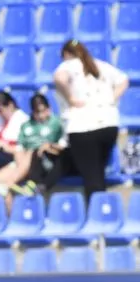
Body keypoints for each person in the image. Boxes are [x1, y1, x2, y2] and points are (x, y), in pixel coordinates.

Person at [54, 39, 129, 202]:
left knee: (92, 177)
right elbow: (124, 80)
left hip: (83, 127)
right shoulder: (100, 65)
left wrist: (70, 98)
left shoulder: (69, 65)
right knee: (98, 173)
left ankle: (99, 216)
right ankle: (103, 211)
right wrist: (111, 99)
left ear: (67, 54)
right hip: (109, 124)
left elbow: (59, 78)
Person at [0, 93, 69, 211]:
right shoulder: (26, 125)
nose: (41, 115)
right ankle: (9, 218)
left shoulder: (57, 123)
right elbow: (19, 148)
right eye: (37, 112)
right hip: (24, 162)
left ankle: (24, 184)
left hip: (47, 162)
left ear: (49, 108)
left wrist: (49, 146)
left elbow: (64, 146)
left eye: (43, 111)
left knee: (33, 153)